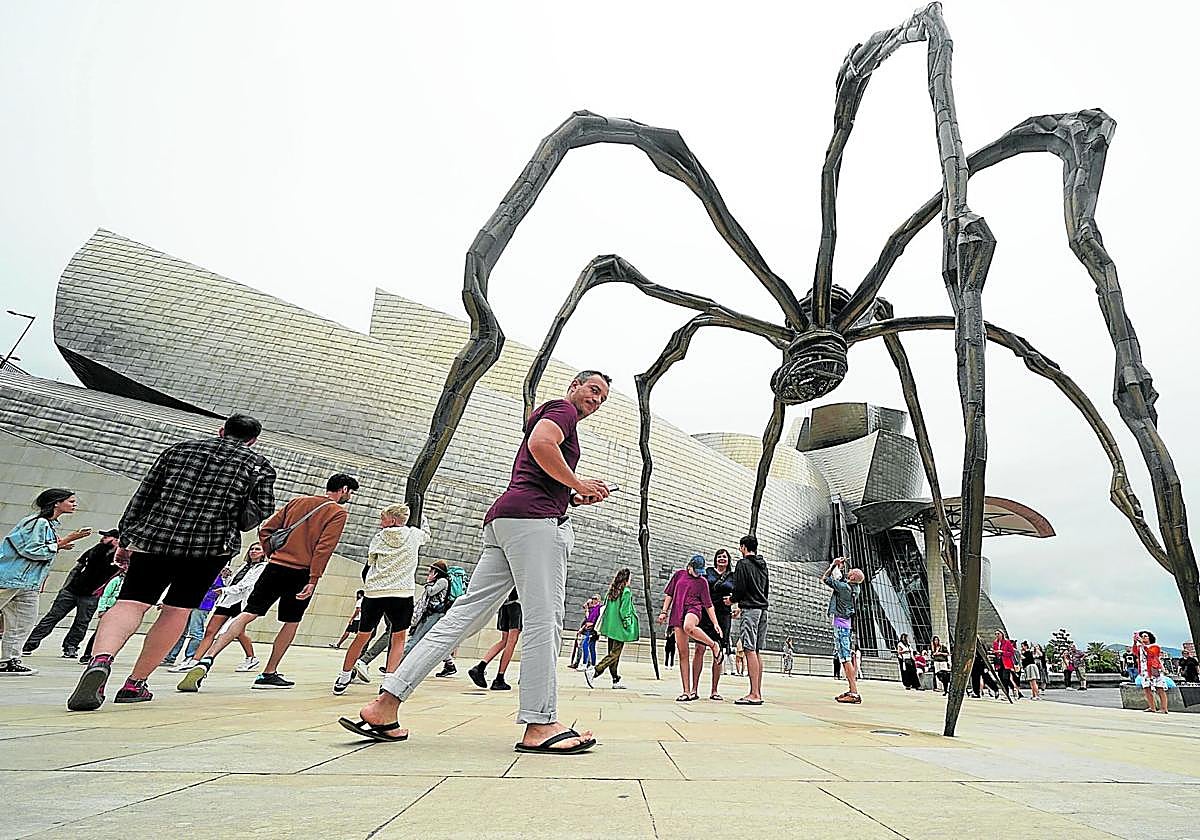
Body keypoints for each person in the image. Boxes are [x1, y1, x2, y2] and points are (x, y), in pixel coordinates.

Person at [341, 370, 612, 752]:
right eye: (593, 390)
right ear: (574, 385)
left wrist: (571, 494)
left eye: (602, 399)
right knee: (544, 620)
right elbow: (541, 444)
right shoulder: (561, 410)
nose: (596, 400)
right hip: (534, 523)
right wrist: (577, 483)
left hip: (508, 521)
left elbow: (538, 466)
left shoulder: (557, 416)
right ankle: (540, 724)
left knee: (462, 615)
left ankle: (385, 705)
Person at [68, 415, 275, 710]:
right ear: (252, 440)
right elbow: (255, 515)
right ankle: (134, 683)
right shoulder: (258, 466)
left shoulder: (178, 450)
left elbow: (144, 496)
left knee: (130, 603)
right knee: (177, 611)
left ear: (221, 431)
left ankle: (101, 659)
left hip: (155, 540)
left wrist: (126, 539)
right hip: (209, 548)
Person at [176, 473, 356, 693]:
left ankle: (207, 658)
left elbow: (265, 529)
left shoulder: (297, 502)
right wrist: (313, 579)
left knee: (248, 613)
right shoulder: (337, 512)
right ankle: (269, 672)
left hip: (274, 567)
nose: (350, 497)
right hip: (301, 573)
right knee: (291, 622)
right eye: (350, 493)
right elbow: (324, 547)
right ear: (344, 489)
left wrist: (272, 553)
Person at [334, 504, 428, 694]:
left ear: (392, 520)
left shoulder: (378, 538)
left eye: (382, 518)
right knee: (398, 638)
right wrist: (421, 514)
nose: (380, 523)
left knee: (362, 636)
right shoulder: (414, 535)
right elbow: (426, 533)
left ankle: (344, 677)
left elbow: (371, 561)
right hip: (402, 593)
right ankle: (389, 681)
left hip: (375, 592)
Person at [1, 490, 90, 675]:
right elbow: (31, 550)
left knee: (23, 622)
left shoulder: (48, 525)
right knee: (21, 621)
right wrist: (64, 541)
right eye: (70, 501)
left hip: (28, 583)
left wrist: (59, 545)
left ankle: (8, 660)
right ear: (57, 503)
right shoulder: (36, 522)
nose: (74, 504)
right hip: (10, 579)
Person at [23, 527, 119, 659]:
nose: (103, 539)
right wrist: (65, 587)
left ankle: (71, 647)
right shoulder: (94, 550)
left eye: (107, 537)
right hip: (71, 591)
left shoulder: (120, 558)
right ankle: (30, 643)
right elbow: (76, 569)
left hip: (91, 595)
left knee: (81, 623)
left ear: (116, 540)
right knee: (52, 617)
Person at [186, 542, 267, 672]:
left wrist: (224, 590)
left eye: (257, 549)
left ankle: (251, 658)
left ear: (264, 553)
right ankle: (194, 660)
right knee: (211, 630)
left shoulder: (263, 567)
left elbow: (246, 585)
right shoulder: (244, 566)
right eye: (251, 549)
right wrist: (226, 577)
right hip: (227, 601)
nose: (253, 551)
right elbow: (233, 583)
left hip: (241, 603)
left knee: (237, 632)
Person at [659, 554, 724, 702]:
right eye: (697, 571)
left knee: (689, 626)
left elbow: (708, 604)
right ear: (690, 567)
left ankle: (713, 645)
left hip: (693, 609)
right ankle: (686, 691)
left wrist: (715, 623)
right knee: (683, 654)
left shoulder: (702, 582)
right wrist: (664, 612)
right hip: (677, 611)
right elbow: (669, 594)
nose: (699, 574)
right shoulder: (679, 575)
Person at [729, 535, 769, 705]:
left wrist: (732, 601)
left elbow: (739, 587)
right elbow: (765, 588)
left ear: (743, 547)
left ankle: (754, 694)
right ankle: (757, 691)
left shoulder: (742, 564)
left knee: (749, 649)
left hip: (751, 610)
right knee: (757, 651)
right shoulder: (762, 565)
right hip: (762, 609)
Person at [586, 568, 639, 690]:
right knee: (615, 654)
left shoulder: (612, 592)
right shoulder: (626, 591)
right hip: (620, 628)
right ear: (626, 579)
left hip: (611, 627)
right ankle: (595, 671)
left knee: (612, 654)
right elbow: (624, 611)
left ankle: (615, 679)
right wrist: (627, 624)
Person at [164, 569, 227, 669]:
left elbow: (218, 590)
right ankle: (170, 656)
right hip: (189, 603)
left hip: (202, 606)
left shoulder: (218, 575)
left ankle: (190, 657)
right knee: (181, 631)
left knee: (196, 631)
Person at [821, 556, 864, 704]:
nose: (848, 571)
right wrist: (839, 568)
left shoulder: (845, 588)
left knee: (845, 658)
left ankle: (854, 692)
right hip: (846, 624)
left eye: (850, 572)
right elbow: (842, 580)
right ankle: (852, 690)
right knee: (845, 657)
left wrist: (833, 565)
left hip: (841, 626)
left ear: (852, 577)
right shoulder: (854, 588)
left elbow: (825, 579)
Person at [695, 548, 735, 700]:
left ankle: (714, 690)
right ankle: (694, 689)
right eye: (719, 556)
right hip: (705, 614)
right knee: (700, 648)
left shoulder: (733, 576)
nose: (722, 559)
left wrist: (736, 604)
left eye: (724, 557)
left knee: (718, 651)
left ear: (728, 560)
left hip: (723, 615)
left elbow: (739, 592)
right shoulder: (708, 572)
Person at [81, 571, 125, 662]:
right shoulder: (116, 580)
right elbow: (105, 595)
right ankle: (87, 654)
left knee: (114, 634)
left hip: (122, 610)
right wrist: (102, 609)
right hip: (109, 608)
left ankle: (105, 655)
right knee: (99, 633)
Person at [1133, 630, 1169, 714]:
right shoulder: (1140, 647)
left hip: (1154, 670)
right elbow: (1134, 652)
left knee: (1160, 688)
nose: (1143, 638)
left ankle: (1164, 708)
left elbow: (1151, 654)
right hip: (1144, 671)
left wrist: (1143, 644)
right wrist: (1135, 642)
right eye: (1142, 636)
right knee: (1146, 688)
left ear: (1150, 637)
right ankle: (1152, 707)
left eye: (1145, 636)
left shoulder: (1155, 646)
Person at [991, 630, 1019, 699]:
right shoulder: (995, 643)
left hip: (1006, 663)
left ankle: (1006, 693)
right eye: (996, 634)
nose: (997, 635)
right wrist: (994, 652)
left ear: (1002, 634)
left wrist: (1002, 652)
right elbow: (995, 652)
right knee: (1001, 678)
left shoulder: (1007, 642)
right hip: (999, 663)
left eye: (998, 633)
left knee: (1005, 678)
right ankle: (1013, 688)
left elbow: (1011, 653)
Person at [581, 595, 601, 670]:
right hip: (589, 629)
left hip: (593, 630)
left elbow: (597, 619)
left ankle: (585, 664)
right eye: (593, 598)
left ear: (599, 600)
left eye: (595, 598)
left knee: (585, 644)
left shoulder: (599, 608)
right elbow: (588, 618)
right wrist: (587, 608)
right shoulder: (592, 609)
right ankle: (592, 665)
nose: (593, 600)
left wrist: (591, 624)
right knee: (591, 647)